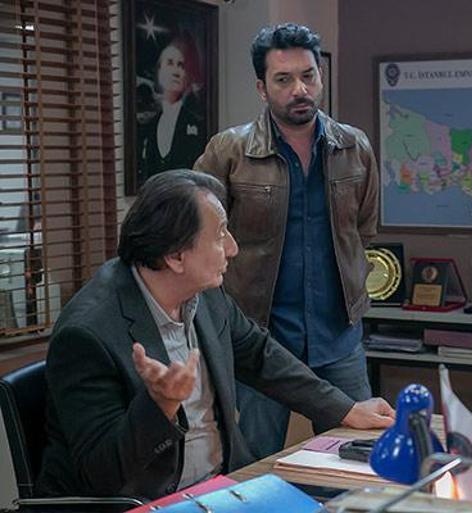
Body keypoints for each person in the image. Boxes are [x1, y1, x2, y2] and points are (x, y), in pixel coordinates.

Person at [35, 170, 394, 499]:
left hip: (223, 487)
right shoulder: (87, 334)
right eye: (220, 234)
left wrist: (345, 408)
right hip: (148, 502)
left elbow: (260, 355)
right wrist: (160, 406)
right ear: (176, 257)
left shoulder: (205, 294)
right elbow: (101, 475)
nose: (233, 248)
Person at [194, 23, 378, 457]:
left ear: (320, 76)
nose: (300, 89)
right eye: (283, 79)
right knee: (254, 462)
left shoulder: (354, 147)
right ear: (262, 88)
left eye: (308, 76)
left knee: (359, 458)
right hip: (260, 338)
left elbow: (364, 230)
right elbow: (200, 234)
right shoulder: (229, 151)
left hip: (338, 335)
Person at [136, 34, 207, 186]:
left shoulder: (196, 123)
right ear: (159, 70)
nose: (176, 71)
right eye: (170, 63)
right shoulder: (149, 125)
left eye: (181, 65)